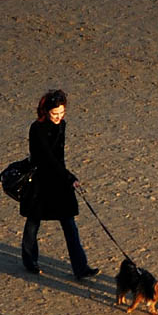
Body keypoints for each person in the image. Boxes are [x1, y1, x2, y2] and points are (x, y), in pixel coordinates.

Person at [20, 89, 99, 279]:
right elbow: (46, 158)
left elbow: (59, 157)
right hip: (40, 181)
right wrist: (69, 177)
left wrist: (67, 178)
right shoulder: (36, 128)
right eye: (55, 113)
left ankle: (81, 268)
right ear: (46, 111)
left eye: (62, 113)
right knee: (33, 222)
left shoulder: (62, 125)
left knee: (69, 224)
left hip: (58, 181)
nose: (58, 117)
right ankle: (30, 261)